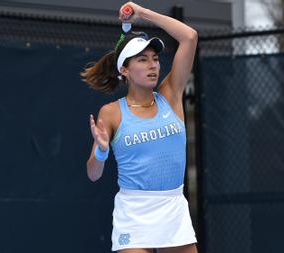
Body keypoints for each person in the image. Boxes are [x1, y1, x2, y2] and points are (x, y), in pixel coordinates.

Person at [81, 2, 198, 253]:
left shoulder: (171, 95)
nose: (152, 65)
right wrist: (101, 151)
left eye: (155, 59)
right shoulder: (111, 113)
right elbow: (93, 174)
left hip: (173, 209)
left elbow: (189, 37)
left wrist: (142, 13)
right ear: (125, 70)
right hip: (134, 213)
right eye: (142, 60)